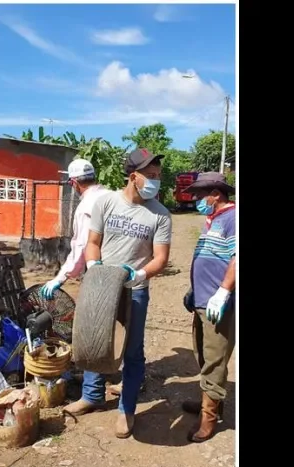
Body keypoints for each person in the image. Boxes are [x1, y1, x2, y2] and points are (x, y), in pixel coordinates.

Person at [63, 148, 172, 439]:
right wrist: (94, 266)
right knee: (95, 342)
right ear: (133, 176)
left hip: (134, 289)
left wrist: (140, 274)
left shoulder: (160, 215)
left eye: (158, 176)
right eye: (150, 176)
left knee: (133, 351)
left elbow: (160, 258)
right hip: (100, 285)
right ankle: (92, 395)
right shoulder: (106, 202)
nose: (155, 181)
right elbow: (93, 241)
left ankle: (126, 408)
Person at [180, 172, 236, 443]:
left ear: (216, 193)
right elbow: (209, 257)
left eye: (201, 195)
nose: (197, 200)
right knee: (202, 353)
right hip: (202, 301)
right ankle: (211, 401)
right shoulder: (212, 219)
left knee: (215, 359)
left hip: (219, 306)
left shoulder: (233, 217)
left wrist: (223, 291)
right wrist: (194, 290)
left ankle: (209, 418)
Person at [41, 159, 109, 299]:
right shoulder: (112, 196)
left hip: (103, 272)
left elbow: (82, 246)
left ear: (74, 182)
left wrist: (59, 279)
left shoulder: (86, 207)